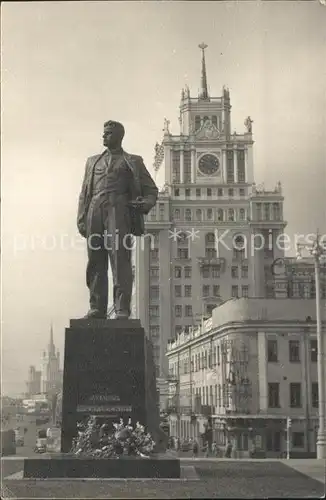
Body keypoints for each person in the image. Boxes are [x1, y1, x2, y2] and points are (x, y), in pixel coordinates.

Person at [77, 120, 158, 319]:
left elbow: (151, 190)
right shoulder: (92, 161)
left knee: (120, 258)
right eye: (103, 133)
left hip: (118, 210)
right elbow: (84, 192)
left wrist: (145, 203)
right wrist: (81, 217)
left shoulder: (133, 161)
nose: (103, 136)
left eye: (108, 133)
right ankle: (97, 308)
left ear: (119, 136)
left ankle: (122, 308)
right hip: (95, 210)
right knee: (95, 261)